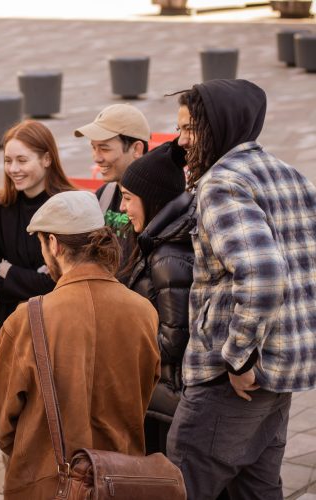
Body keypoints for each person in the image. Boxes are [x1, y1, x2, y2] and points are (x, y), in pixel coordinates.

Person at [167, 79, 316, 500]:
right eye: (179, 128)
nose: (181, 141)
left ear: (220, 126)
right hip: (279, 372)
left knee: (179, 485)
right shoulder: (290, 175)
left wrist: (239, 356)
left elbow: (264, 274)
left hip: (232, 379)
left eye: (190, 129)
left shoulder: (222, 183)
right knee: (257, 489)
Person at [0, 190, 161, 499]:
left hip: (47, 484)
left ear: (53, 243)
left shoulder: (28, 318)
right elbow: (145, 393)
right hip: (119, 480)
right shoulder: (143, 311)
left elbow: (1, 421)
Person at [0, 120, 76, 441]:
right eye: (8, 160)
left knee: (49, 420)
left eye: (22, 160)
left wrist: (9, 271)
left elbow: (63, 280)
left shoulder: (68, 205)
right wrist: (36, 277)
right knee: (7, 421)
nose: (13, 169)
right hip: (9, 323)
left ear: (47, 159)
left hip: (56, 325)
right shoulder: (0, 205)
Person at [118, 140, 194, 455]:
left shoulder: (167, 256)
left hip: (166, 400)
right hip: (159, 394)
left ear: (152, 199)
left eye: (127, 198)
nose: (121, 208)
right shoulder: (156, 243)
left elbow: (175, 340)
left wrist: (125, 349)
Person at [74, 104, 150, 271]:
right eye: (94, 148)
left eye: (104, 149)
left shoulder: (157, 199)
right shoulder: (104, 195)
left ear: (136, 149)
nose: (97, 158)